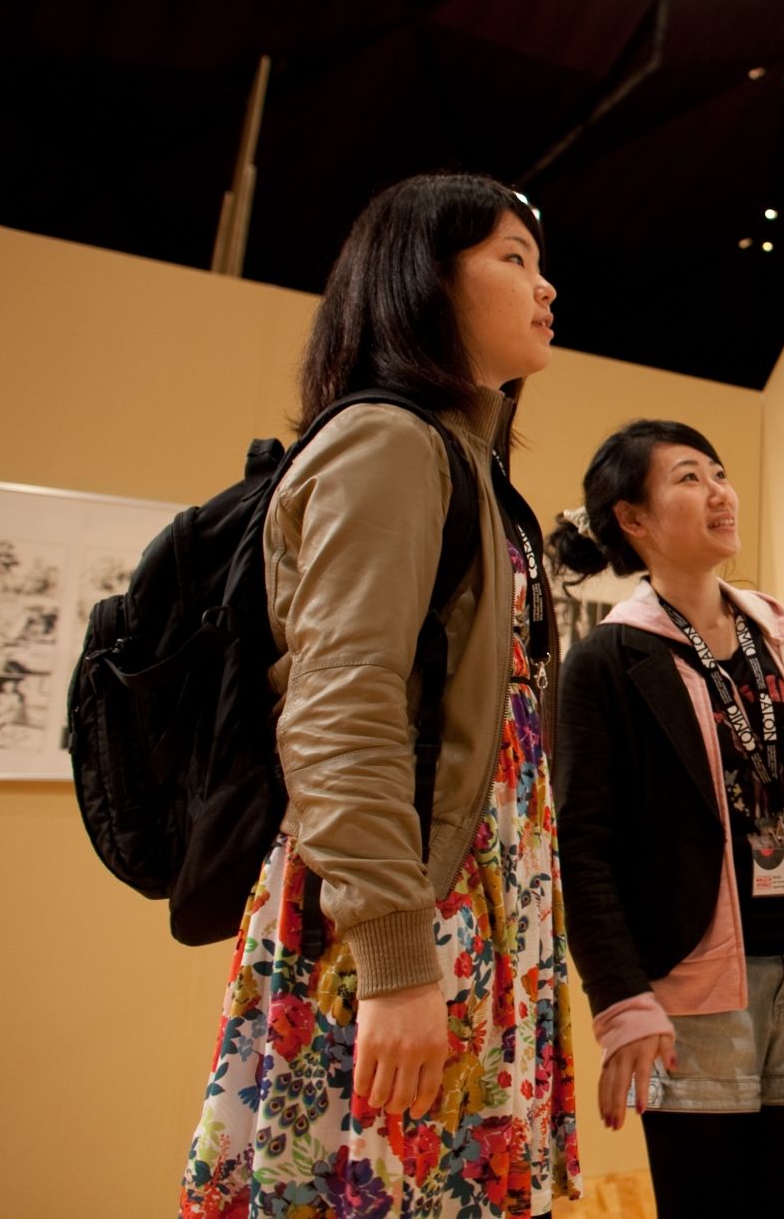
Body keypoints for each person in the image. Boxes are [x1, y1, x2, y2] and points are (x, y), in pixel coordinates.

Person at [180, 174, 580, 1216]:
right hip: (405, 909)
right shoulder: (391, 441)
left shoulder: (458, 455)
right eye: (512, 258)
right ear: (423, 278)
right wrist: (398, 961)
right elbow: (339, 704)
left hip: (461, 898)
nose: (544, 287)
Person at [549, 419, 784, 1218]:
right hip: (691, 983)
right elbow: (583, 848)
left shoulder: (776, 631)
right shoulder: (605, 661)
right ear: (633, 519)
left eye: (719, 472)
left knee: (780, 1205)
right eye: (688, 477)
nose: (719, 492)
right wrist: (621, 1000)